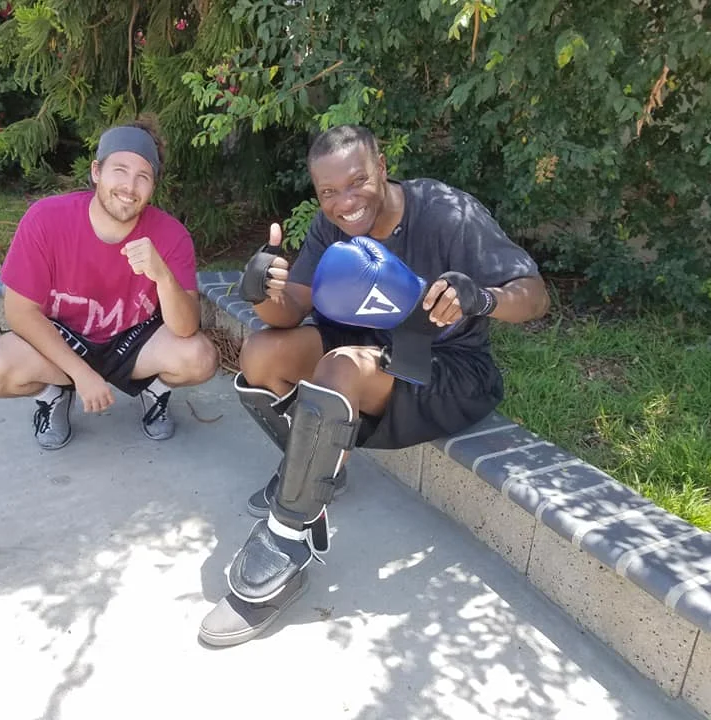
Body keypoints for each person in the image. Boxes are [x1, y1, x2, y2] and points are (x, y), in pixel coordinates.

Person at [199, 124, 550, 647]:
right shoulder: (329, 224)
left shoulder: (445, 211)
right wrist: (259, 291)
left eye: (357, 180)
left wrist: (484, 298)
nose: (345, 202)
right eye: (329, 192)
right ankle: (320, 474)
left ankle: (286, 543)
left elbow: (535, 295)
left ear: (382, 166)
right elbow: (289, 308)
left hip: (444, 366)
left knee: (339, 366)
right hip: (363, 351)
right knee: (261, 351)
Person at [0, 121, 218, 449]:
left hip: (131, 343)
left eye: (143, 176)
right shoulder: (46, 219)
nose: (130, 186)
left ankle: (153, 391)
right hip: (65, 340)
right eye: (120, 170)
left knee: (200, 358)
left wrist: (163, 276)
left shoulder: (171, 235)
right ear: (97, 172)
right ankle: (53, 396)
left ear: (153, 187)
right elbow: (20, 313)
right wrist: (81, 374)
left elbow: (186, 328)